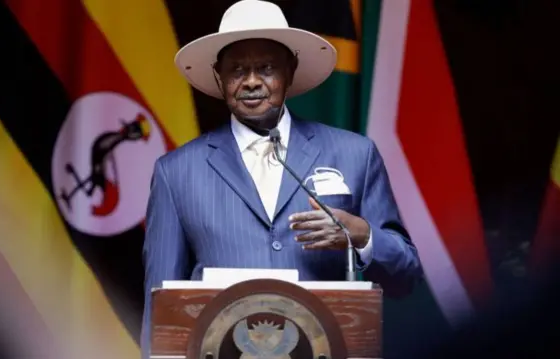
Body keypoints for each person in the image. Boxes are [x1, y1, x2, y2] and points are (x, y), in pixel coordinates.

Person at [141, 0, 422, 356]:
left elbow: (406, 277)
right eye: (237, 70)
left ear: (290, 70)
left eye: (266, 68)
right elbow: (159, 304)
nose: (252, 81)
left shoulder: (355, 154)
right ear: (219, 75)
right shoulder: (176, 171)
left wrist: (363, 236)